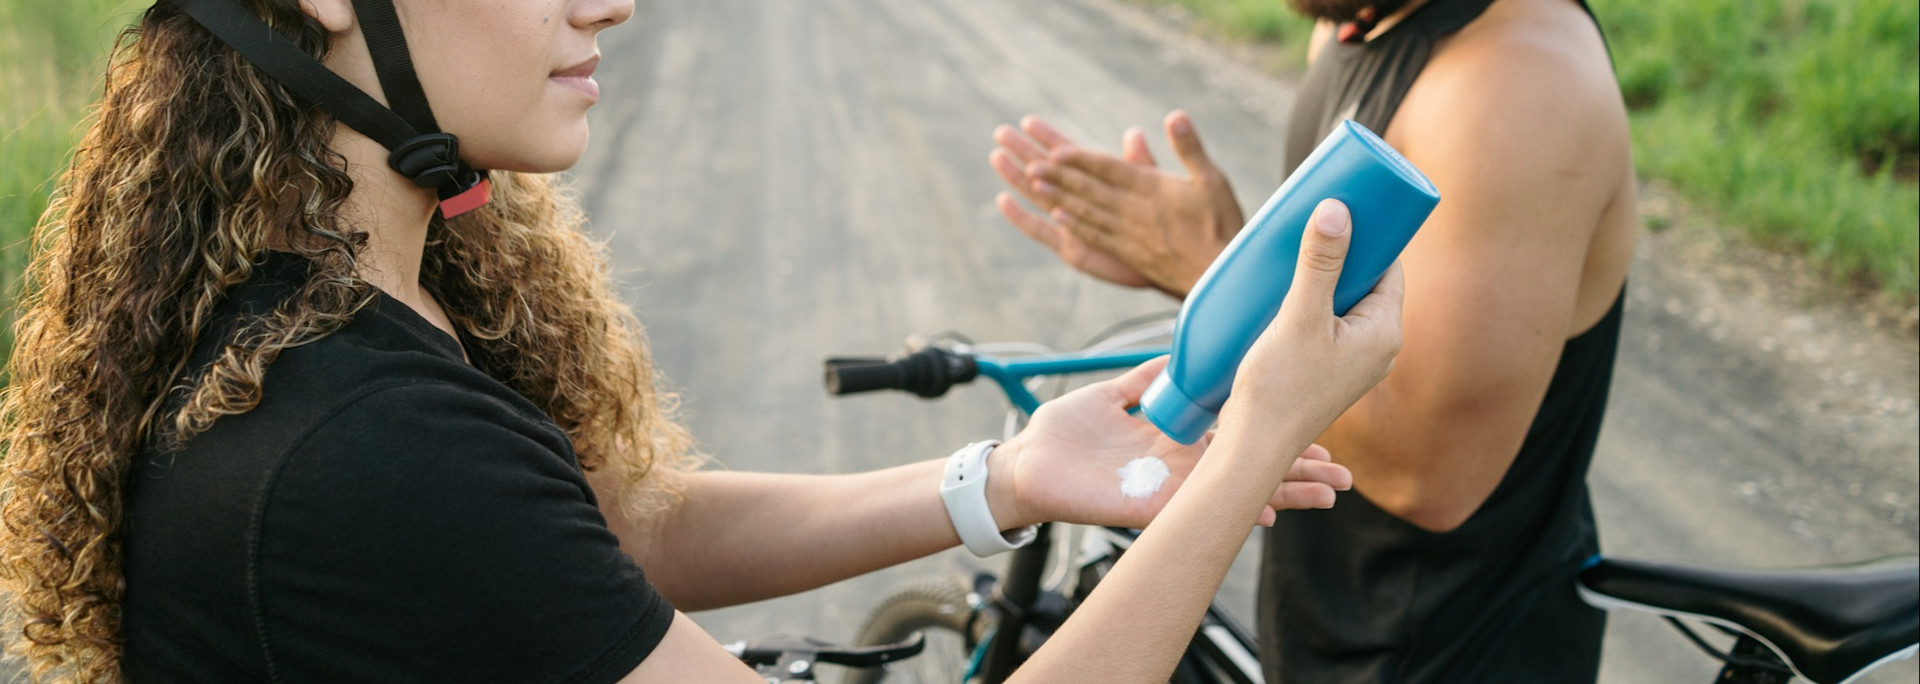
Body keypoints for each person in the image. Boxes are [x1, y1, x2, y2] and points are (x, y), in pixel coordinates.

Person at [0, 1, 1405, 681]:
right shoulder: (351, 447)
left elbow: (607, 534)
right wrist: (1247, 457)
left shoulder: (338, 300)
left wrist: (1011, 478)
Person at [989, 0, 1636, 680]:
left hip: (1451, 645)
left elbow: (1431, 479)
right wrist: (1229, 273)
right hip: (1329, 608)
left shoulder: (1513, 85)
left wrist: (1206, 272)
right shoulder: (1353, 18)